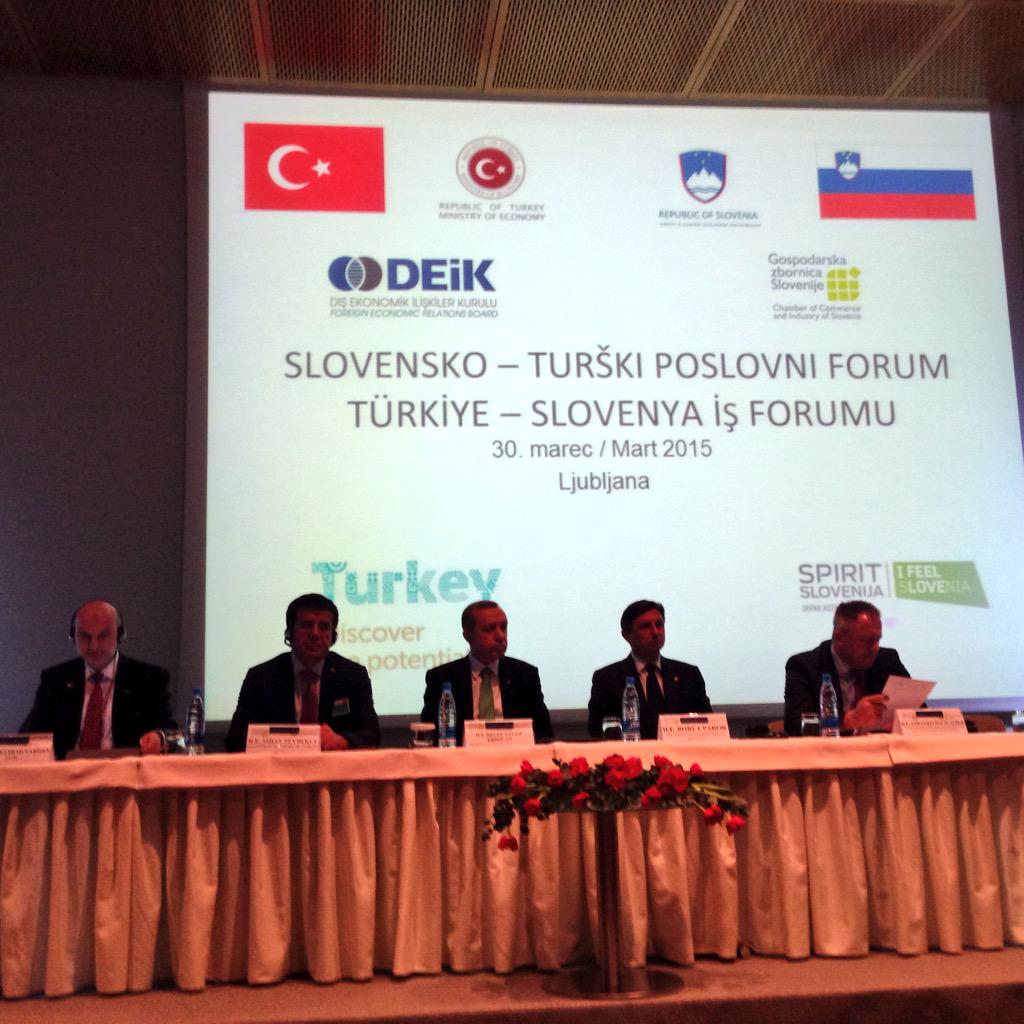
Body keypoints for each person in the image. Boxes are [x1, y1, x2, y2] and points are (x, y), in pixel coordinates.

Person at [225, 593, 380, 752]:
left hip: (333, 765)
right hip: (278, 764)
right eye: (307, 625)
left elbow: (371, 733)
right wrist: (281, 742)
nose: (315, 634)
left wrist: (341, 741)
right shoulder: (261, 677)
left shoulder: (353, 675)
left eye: (323, 627)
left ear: (333, 637)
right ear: (290, 633)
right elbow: (236, 739)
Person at [21, 600, 175, 759]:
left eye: (102, 636)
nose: (93, 646)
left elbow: (168, 729)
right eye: (84, 636)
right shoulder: (55, 679)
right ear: (72, 637)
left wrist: (158, 737)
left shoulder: (148, 678)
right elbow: (30, 733)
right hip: (66, 770)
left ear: (119, 636)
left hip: (125, 769)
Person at [421, 601, 554, 744]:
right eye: (490, 629)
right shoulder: (442, 678)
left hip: (516, 754)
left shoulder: (524, 675)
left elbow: (544, 733)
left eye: (503, 627)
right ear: (468, 636)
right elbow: (430, 735)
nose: (500, 636)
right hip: (463, 756)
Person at [588, 599, 712, 739]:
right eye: (645, 626)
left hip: (682, 751)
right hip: (632, 751)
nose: (655, 632)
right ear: (626, 635)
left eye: (659, 625)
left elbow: (708, 723)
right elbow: (597, 729)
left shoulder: (688, 675)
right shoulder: (607, 679)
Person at [784, 600, 910, 736]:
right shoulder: (804, 666)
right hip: (829, 748)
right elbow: (795, 725)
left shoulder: (887, 660)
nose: (875, 648)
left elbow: (917, 712)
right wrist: (848, 720)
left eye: (878, 639)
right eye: (867, 641)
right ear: (839, 639)